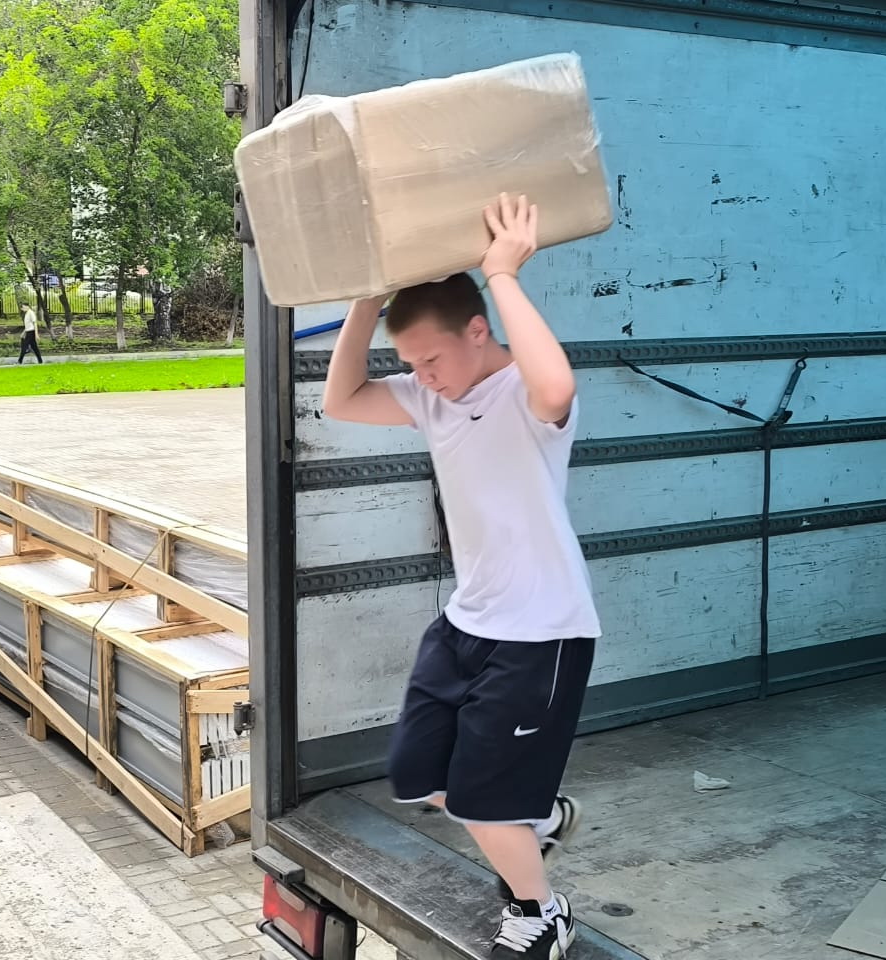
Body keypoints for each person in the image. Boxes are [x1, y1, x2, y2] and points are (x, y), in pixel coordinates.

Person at [322, 193, 601, 960]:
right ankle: (537, 821)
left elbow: (557, 388)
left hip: (540, 632)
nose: (424, 377)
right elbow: (341, 398)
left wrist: (502, 274)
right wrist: (367, 300)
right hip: (467, 624)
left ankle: (542, 914)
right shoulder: (431, 399)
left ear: (478, 331)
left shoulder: (525, 397)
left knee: (481, 802)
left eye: (432, 360)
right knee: (418, 775)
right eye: (412, 365)